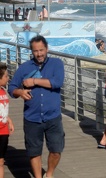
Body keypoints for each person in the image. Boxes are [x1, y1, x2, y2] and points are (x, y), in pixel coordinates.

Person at [8, 35, 65, 178]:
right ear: (31, 51)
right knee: (34, 152)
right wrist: (20, 92)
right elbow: (11, 88)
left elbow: (57, 82)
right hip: (32, 117)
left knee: (56, 150)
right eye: (35, 51)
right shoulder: (24, 67)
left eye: (41, 50)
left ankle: (49, 174)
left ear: (47, 49)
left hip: (53, 117)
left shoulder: (57, 63)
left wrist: (34, 81)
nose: (39, 54)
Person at [0, 63, 14, 178]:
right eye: (6, 76)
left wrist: (9, 120)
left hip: (4, 130)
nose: (8, 78)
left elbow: (3, 108)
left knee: (0, 161)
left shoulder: (3, 91)